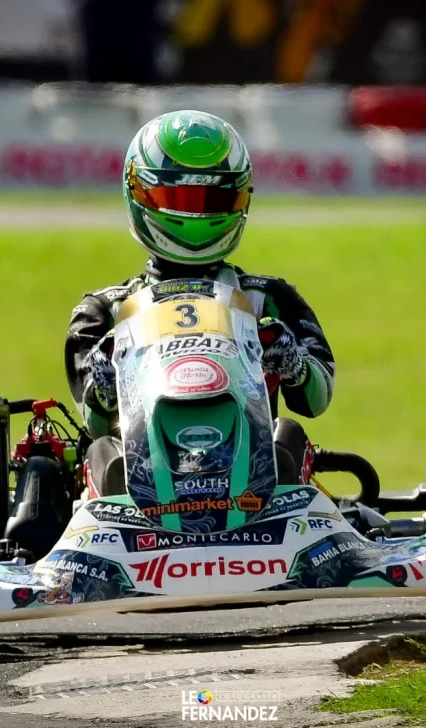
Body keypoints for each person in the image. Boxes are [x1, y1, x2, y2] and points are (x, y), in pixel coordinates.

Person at [64, 110, 335, 497]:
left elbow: (318, 397)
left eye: (214, 200)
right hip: (137, 489)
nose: (197, 215)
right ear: (140, 195)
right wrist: (106, 383)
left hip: (256, 484)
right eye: (181, 199)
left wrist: (293, 364)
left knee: (288, 436)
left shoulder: (267, 299)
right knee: (102, 451)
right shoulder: (104, 312)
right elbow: (93, 420)